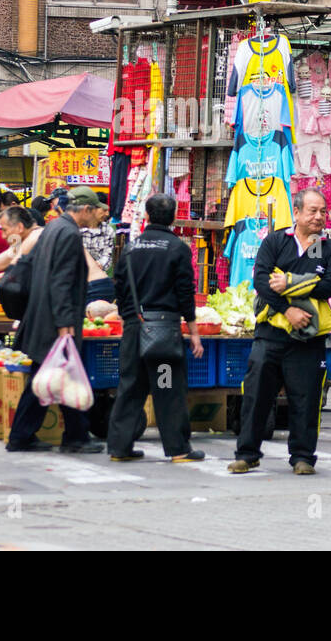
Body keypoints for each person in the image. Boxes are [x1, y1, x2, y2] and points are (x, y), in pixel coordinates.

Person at [230, 188, 331, 476]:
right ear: (297, 212)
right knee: (256, 395)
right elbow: (262, 281)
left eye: (323, 212)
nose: (319, 217)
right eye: (313, 211)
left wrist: (291, 281)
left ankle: (303, 457)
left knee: (306, 398)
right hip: (271, 334)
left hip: (309, 338)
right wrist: (288, 310)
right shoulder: (276, 241)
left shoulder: (329, 248)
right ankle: (247, 454)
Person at [7, 186, 105, 454]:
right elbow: (62, 281)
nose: (97, 215)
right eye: (95, 210)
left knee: (57, 375)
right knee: (55, 375)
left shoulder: (53, 228)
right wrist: (64, 323)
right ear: (85, 209)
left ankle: (71, 435)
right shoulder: (68, 233)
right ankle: (36, 436)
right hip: (55, 321)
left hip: (44, 316)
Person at [107, 194, 204, 463]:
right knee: (167, 388)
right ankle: (178, 449)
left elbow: (121, 288)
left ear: (146, 216)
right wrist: (194, 332)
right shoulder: (177, 249)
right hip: (162, 334)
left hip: (134, 329)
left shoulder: (130, 248)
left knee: (131, 387)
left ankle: (119, 447)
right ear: (173, 218)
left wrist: (130, 318)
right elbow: (185, 293)